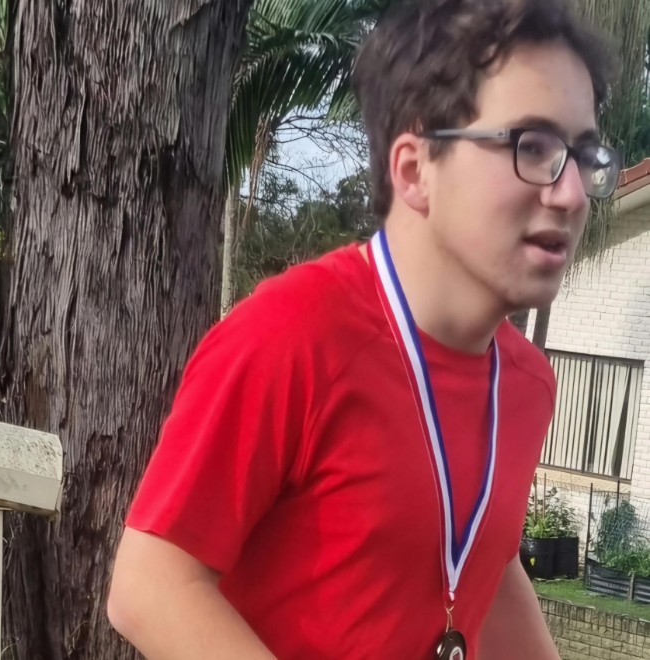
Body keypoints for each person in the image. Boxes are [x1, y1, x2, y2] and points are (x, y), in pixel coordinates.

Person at [108, 0, 620, 657]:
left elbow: (481, 560)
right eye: (533, 146)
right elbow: (150, 582)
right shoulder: (292, 335)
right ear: (413, 170)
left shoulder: (527, 384)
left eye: (582, 154)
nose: (571, 193)